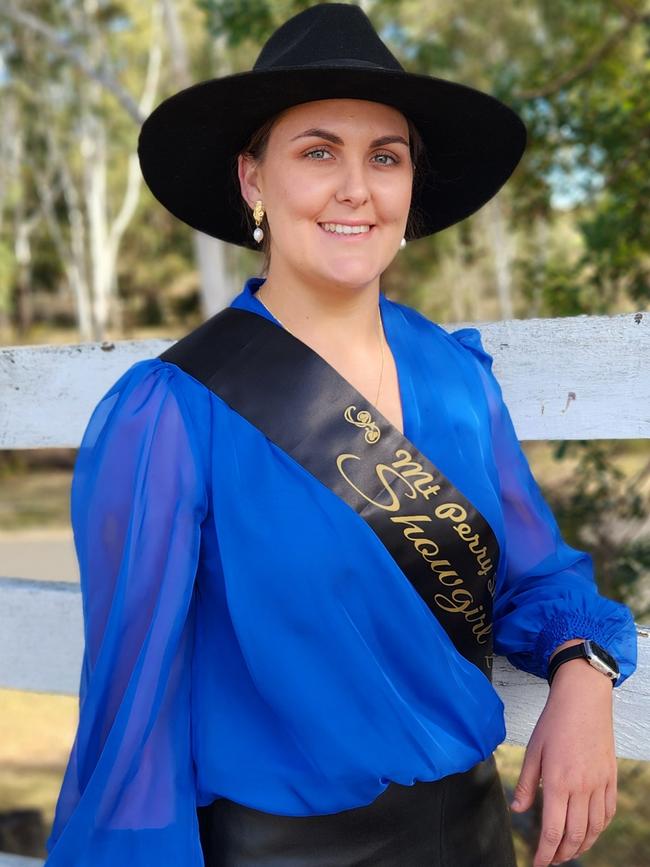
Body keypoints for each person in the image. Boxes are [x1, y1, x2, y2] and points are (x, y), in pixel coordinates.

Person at [44, 4, 638, 866]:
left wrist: (584, 672)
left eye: (385, 157)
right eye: (318, 151)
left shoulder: (459, 381)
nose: (356, 187)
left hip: (474, 838)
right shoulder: (172, 414)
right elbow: (131, 723)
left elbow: (537, 580)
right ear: (253, 180)